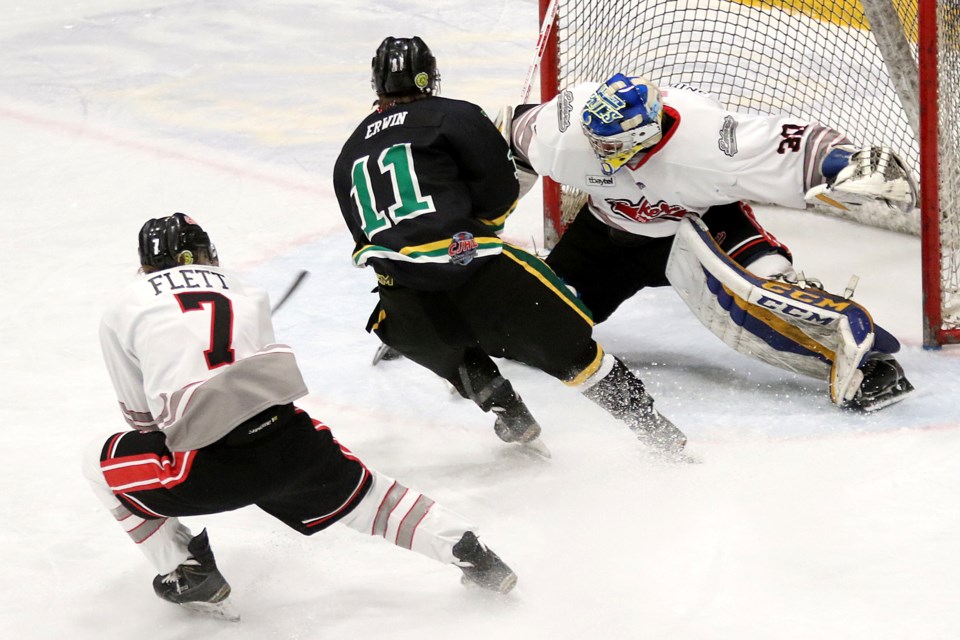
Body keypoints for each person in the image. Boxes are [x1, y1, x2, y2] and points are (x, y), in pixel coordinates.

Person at [82, 213, 518, 622]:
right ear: (200, 253)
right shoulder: (242, 288)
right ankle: (472, 552)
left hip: (203, 466)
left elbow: (143, 420)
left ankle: (187, 572)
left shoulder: (123, 305)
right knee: (370, 499)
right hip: (289, 439)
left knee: (96, 464)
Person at [332, 37, 689, 459]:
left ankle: (512, 416)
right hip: (479, 272)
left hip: (403, 294)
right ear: (430, 75)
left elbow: (362, 232)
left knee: (449, 352)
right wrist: (472, 231)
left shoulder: (349, 149)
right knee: (574, 354)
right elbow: (500, 189)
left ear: (377, 83)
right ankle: (658, 434)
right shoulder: (456, 114)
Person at [504, 74, 915, 412]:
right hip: (608, 232)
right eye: (595, 140)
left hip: (700, 226)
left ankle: (870, 362)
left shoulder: (712, 142)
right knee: (529, 329)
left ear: (646, 132)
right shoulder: (567, 128)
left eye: (610, 146)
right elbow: (504, 138)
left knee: (761, 297)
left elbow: (797, 146)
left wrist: (850, 163)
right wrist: (490, 214)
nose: (598, 152)